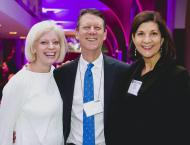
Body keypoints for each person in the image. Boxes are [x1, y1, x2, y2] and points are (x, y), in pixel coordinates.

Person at [54, 8, 130, 145]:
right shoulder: (62, 74)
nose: (92, 31)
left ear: (105, 34)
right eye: (86, 27)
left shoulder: (123, 72)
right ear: (77, 33)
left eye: (97, 27)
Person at [125, 10, 190, 144]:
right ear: (133, 38)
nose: (147, 40)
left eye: (153, 34)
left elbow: (183, 128)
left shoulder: (176, 75)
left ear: (162, 39)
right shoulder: (131, 72)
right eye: (141, 34)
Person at [0, 20, 67, 145]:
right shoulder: (19, 82)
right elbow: (4, 133)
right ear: (33, 47)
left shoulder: (57, 76)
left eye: (56, 42)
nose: (51, 47)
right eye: (44, 42)